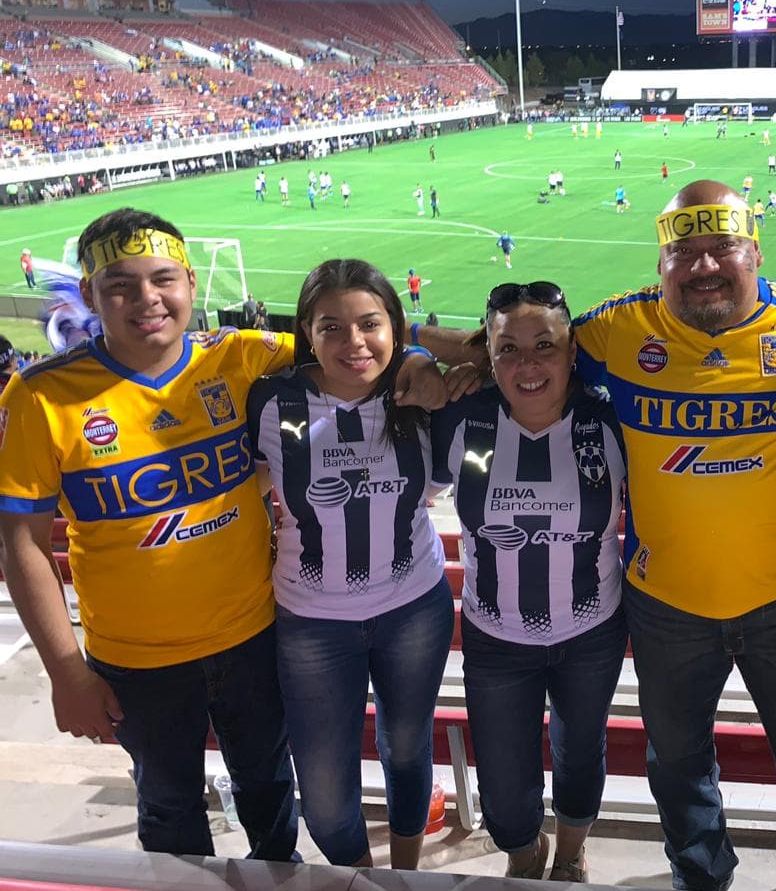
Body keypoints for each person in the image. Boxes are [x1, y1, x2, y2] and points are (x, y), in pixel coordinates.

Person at [0, 209, 455, 861]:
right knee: (169, 809)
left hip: (253, 635)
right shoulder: (40, 396)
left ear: (189, 282)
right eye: (120, 284)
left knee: (271, 795)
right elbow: (22, 543)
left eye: (162, 278)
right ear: (90, 293)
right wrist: (66, 671)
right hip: (138, 659)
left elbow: (352, 347)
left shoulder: (240, 356)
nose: (146, 299)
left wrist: (413, 353)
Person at [572, 180, 776, 891]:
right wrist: (429, 361)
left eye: (722, 247)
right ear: (662, 265)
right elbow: (522, 351)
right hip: (666, 604)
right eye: (686, 252)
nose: (705, 265)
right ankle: (700, 876)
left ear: (755, 252)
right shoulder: (616, 331)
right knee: (676, 765)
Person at [247, 259, 454, 870]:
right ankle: (361, 879)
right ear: (305, 332)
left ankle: (406, 873)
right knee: (327, 797)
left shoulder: (423, 394)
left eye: (370, 324)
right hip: (311, 622)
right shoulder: (269, 400)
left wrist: (420, 356)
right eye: (331, 327)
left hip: (413, 608)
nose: (354, 342)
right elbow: (244, 487)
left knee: (410, 751)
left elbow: (509, 361)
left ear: (396, 325)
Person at [431, 281, 628, 883]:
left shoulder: (613, 420)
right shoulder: (460, 419)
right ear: (485, 359)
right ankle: (523, 854)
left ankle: (569, 855)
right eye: (507, 349)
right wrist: (417, 356)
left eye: (545, 344)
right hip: (496, 636)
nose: (528, 363)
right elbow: (403, 492)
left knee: (578, 753)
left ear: (573, 352)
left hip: (592, 631)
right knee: (503, 771)